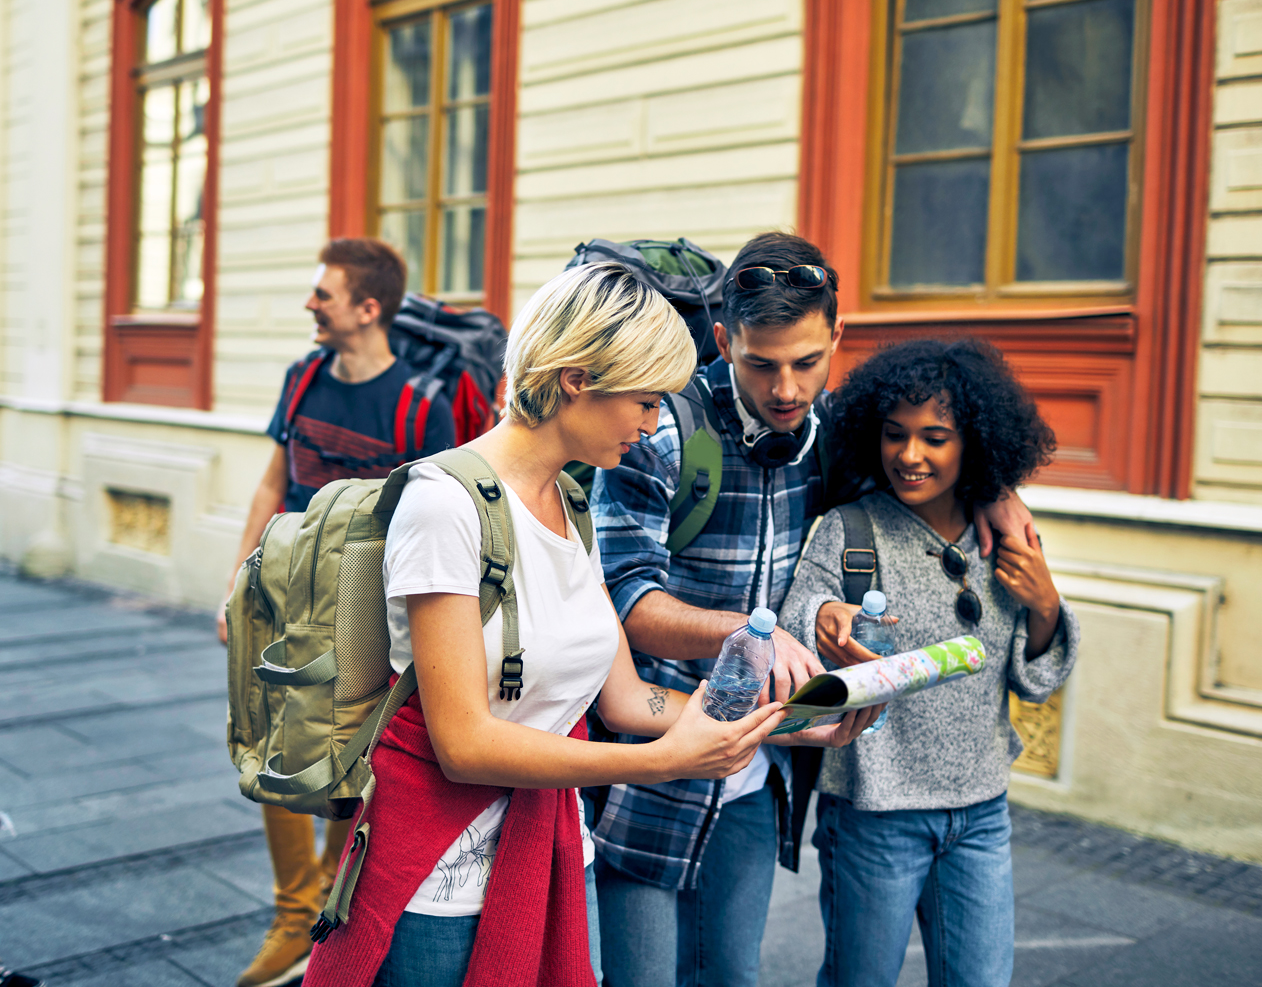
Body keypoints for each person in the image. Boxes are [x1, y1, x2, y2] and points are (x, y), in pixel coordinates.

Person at [300, 262, 850, 987]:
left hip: (548, 856)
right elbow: (463, 745)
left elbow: (627, 701)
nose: (654, 425)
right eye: (647, 401)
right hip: (437, 879)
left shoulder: (570, 502)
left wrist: (779, 721)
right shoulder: (443, 505)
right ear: (577, 379)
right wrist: (659, 762)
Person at [588, 233, 1035, 987]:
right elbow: (627, 601)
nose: (787, 389)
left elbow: (928, 462)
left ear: (837, 336)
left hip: (757, 765)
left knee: (731, 975)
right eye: (761, 364)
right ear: (724, 340)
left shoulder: (840, 435)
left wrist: (997, 486)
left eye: (806, 362)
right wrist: (753, 635)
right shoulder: (659, 431)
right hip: (651, 762)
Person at [779, 337, 1081, 987]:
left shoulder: (1001, 539)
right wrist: (826, 617)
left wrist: (1047, 604)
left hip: (980, 809)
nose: (909, 456)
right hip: (873, 810)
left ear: (973, 443)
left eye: (934, 437)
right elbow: (795, 629)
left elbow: (1035, 678)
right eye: (895, 435)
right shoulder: (849, 531)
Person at [220, 238, 456, 987]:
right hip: (285, 596)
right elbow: (271, 484)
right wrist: (238, 580)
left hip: (371, 618)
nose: (309, 305)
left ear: (367, 308)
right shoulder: (304, 377)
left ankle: (326, 897)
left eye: (323, 294)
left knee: (357, 759)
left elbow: (444, 515)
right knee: (273, 739)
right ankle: (294, 915)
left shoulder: (423, 405)